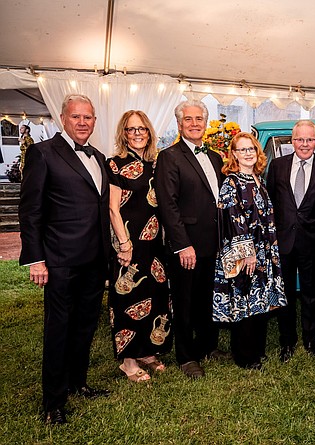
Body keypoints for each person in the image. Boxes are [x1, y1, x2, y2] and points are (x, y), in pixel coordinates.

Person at [19, 94, 110, 425]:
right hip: (59, 260)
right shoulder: (43, 153)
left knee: (86, 325)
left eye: (88, 117)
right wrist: (36, 259)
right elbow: (30, 211)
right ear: (63, 118)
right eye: (76, 117)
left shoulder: (98, 157)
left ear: (94, 121)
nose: (83, 122)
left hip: (95, 258)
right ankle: (53, 403)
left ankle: (77, 382)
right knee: (58, 329)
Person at [155, 100, 225, 379]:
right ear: (179, 124)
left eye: (199, 119)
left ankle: (209, 346)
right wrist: (183, 244)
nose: (194, 124)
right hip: (188, 245)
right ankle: (186, 356)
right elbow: (167, 205)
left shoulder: (216, 157)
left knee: (209, 298)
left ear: (206, 123)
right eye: (189, 119)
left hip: (215, 243)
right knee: (184, 301)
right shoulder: (169, 157)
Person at [107, 110, 173, 382]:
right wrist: (124, 243)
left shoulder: (157, 164)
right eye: (132, 129)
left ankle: (148, 351)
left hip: (156, 244)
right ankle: (129, 361)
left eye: (142, 129)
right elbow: (112, 208)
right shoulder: (114, 164)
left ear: (149, 132)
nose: (137, 134)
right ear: (124, 133)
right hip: (129, 243)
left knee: (155, 296)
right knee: (128, 298)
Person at [213, 132, 287, 369]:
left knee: (260, 303)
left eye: (251, 149)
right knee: (244, 303)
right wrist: (248, 253)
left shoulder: (258, 179)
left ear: (257, 153)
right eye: (242, 150)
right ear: (234, 154)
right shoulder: (231, 182)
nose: (247, 154)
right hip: (244, 253)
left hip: (264, 252)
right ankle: (245, 357)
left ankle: (257, 350)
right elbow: (234, 220)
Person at [266, 120, 315, 362]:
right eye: (299, 139)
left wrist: (312, 222)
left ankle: (309, 339)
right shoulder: (277, 166)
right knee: (284, 292)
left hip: (311, 241)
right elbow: (272, 199)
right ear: (291, 141)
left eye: (309, 139)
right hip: (283, 241)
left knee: (310, 292)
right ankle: (287, 341)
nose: (304, 144)